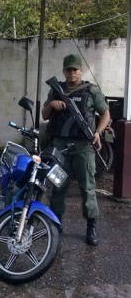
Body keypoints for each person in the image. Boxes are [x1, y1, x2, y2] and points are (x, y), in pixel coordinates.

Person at [42, 53, 110, 246]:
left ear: (80, 70)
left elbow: (105, 113)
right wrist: (51, 105)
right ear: (63, 71)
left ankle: (91, 226)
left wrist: (98, 132)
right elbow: (44, 115)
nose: (72, 73)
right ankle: (56, 223)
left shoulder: (91, 91)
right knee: (57, 186)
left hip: (83, 146)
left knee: (87, 187)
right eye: (68, 69)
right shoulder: (56, 90)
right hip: (59, 146)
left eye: (75, 69)